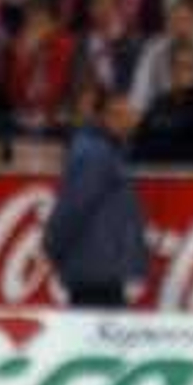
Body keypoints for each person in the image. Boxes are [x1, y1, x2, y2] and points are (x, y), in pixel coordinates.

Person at [42, 92, 148, 308]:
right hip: (95, 269)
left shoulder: (107, 150)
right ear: (107, 116)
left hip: (99, 268)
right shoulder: (96, 153)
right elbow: (73, 209)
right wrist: (52, 246)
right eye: (124, 114)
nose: (132, 120)